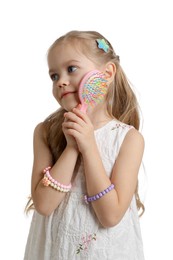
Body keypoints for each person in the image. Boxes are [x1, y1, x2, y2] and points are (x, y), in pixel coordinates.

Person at [24, 30, 145, 260]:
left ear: (107, 73)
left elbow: (110, 216)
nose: (61, 82)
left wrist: (89, 147)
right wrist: (72, 147)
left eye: (71, 69)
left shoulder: (128, 140)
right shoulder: (45, 132)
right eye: (53, 76)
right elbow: (44, 204)